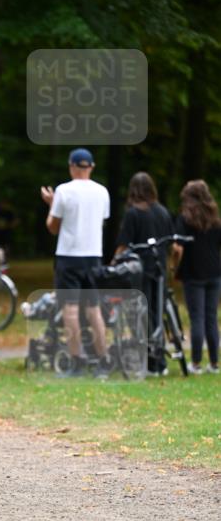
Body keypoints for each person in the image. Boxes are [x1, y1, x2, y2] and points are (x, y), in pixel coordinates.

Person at [40, 148, 111, 377]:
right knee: (94, 310)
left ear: (71, 166)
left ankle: (77, 361)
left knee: (70, 311)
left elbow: (52, 227)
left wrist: (52, 204)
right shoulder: (102, 192)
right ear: (91, 167)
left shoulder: (63, 190)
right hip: (93, 255)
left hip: (69, 255)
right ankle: (103, 361)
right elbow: (100, 221)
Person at [114, 172, 175, 375]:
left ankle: (149, 360)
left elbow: (123, 245)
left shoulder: (133, 213)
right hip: (160, 269)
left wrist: (114, 264)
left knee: (142, 315)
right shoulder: (163, 212)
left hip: (139, 271)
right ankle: (160, 363)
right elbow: (171, 244)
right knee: (158, 313)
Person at [172, 180, 221, 374]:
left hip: (193, 273)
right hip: (215, 272)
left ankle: (196, 362)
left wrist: (175, 266)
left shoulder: (185, 219)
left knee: (197, 318)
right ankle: (215, 363)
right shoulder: (215, 218)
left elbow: (177, 247)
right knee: (211, 318)